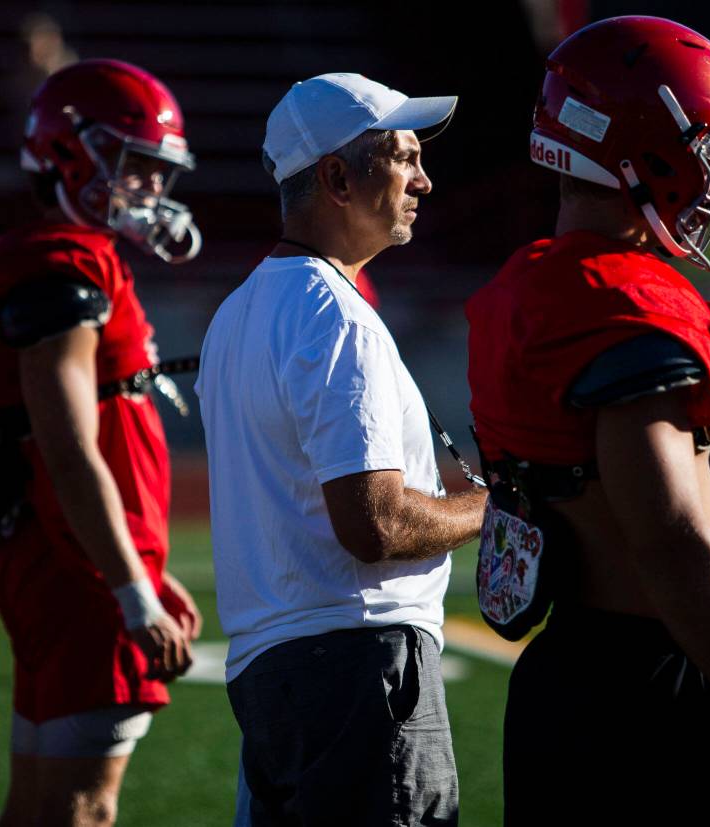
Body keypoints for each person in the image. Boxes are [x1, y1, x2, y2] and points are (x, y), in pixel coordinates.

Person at [465, 17, 710, 824]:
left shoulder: (526, 288)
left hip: (560, 675)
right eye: (707, 153)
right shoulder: (625, 308)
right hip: (639, 683)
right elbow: (672, 538)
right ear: (646, 151)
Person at [196, 73, 487, 826]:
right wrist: (496, 506)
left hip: (273, 670)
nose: (423, 178)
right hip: (359, 664)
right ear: (335, 177)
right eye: (402, 156)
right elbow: (375, 523)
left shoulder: (237, 313)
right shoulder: (335, 317)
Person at [0, 59, 202, 826]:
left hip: (67, 554)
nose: (149, 193)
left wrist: (142, 573)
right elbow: (68, 444)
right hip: (80, 567)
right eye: (133, 169)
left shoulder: (58, 251)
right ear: (72, 152)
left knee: (37, 805)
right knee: (83, 808)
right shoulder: (63, 257)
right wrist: (131, 590)